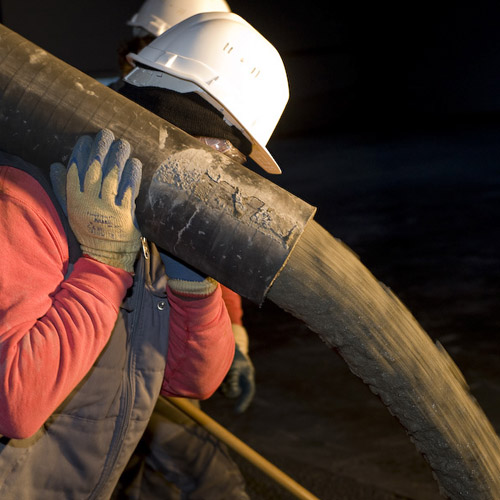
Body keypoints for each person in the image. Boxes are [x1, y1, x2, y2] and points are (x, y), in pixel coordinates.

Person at [0, 128, 248, 498]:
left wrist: (197, 288)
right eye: (220, 151)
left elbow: (189, 380)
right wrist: (104, 264)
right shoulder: (24, 197)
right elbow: (14, 402)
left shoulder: (149, 219)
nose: (224, 173)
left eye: (236, 162)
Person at [118, 0, 257, 416]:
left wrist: (232, 335)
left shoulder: (186, 142)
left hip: (146, 354)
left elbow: (207, 234)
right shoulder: (83, 137)